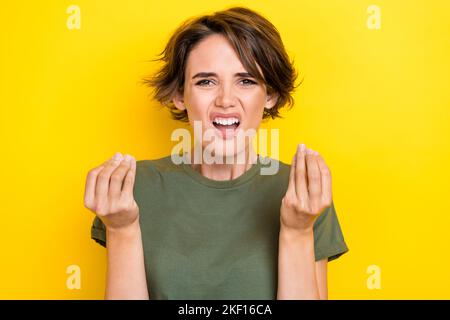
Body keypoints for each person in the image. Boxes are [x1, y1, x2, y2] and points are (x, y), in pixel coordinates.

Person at [84, 6, 349, 300]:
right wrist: (122, 229)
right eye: (206, 82)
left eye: (246, 81)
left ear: (270, 96)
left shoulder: (302, 192)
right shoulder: (132, 189)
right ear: (179, 95)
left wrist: (297, 231)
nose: (225, 100)